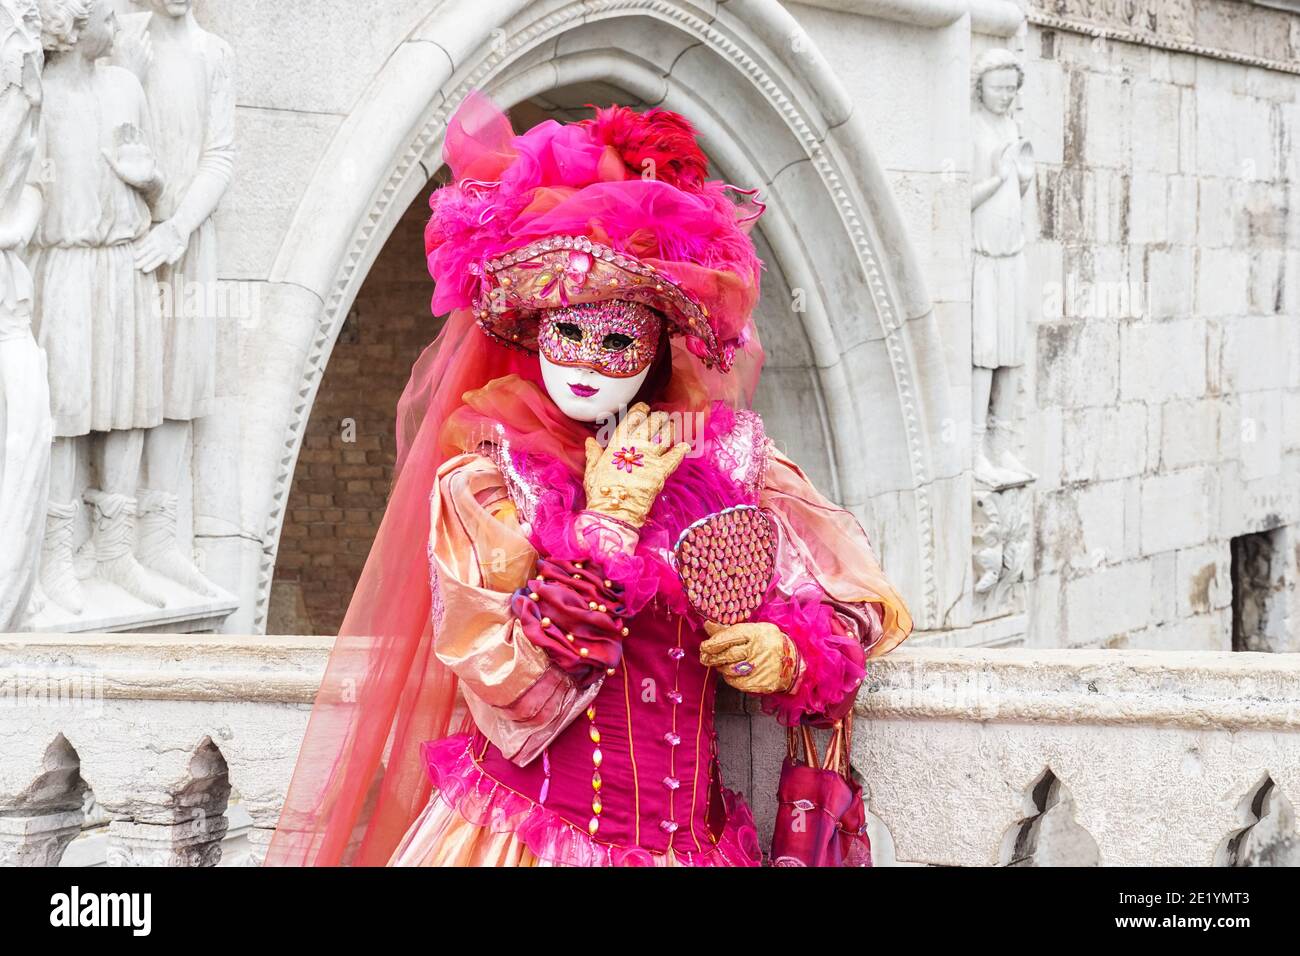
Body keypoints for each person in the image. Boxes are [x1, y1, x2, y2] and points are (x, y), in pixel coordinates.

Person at [265, 94, 911, 867]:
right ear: (533, 329)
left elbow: (857, 597)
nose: (581, 360)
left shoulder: (730, 463)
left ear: (658, 345)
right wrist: (607, 522)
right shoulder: (491, 481)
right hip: (525, 840)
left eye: (615, 338)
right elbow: (514, 696)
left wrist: (791, 652)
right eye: (564, 330)